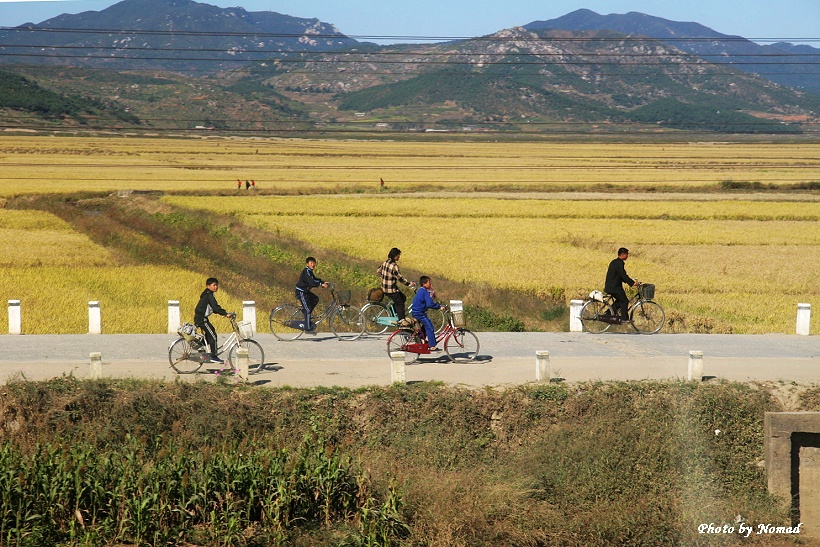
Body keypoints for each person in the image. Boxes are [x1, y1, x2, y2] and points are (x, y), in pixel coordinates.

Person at [194, 277, 235, 364]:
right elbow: (215, 307)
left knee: (211, 332)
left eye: (217, 285)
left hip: (201, 318)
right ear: (208, 286)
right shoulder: (209, 295)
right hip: (202, 319)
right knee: (213, 335)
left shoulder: (208, 294)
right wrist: (225, 313)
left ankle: (199, 345)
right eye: (214, 285)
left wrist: (224, 313)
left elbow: (215, 307)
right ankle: (213, 356)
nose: (216, 287)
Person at [377, 247, 415, 320]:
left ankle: (391, 312)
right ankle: (402, 322)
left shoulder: (385, 262)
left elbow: (378, 272)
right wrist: (410, 284)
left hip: (384, 288)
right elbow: (400, 279)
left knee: (403, 297)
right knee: (400, 303)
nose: (399, 257)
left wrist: (385, 277)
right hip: (391, 290)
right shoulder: (394, 266)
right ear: (395, 256)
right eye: (398, 255)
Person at [412, 275, 446, 352]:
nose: (430, 284)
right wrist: (439, 307)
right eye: (429, 283)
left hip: (417, 312)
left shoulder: (421, 290)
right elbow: (429, 304)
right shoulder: (424, 291)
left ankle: (419, 337)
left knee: (426, 325)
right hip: (419, 313)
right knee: (430, 327)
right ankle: (432, 346)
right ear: (424, 284)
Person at [605, 247, 638, 323]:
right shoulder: (619, 263)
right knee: (624, 301)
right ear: (623, 254)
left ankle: (608, 313)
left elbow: (621, 276)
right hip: (614, 287)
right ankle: (624, 319)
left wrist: (630, 281)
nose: (627, 256)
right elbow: (623, 275)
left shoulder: (615, 262)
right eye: (627, 255)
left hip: (611, 286)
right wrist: (632, 283)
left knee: (619, 301)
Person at [296, 256, 328, 333]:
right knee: (308, 309)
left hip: (305, 292)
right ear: (307, 264)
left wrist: (322, 282)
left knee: (315, 299)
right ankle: (308, 328)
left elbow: (314, 279)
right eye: (311, 263)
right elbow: (311, 282)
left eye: (314, 263)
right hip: (301, 292)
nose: (313, 265)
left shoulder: (309, 271)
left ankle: (306, 313)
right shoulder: (306, 271)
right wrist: (320, 284)